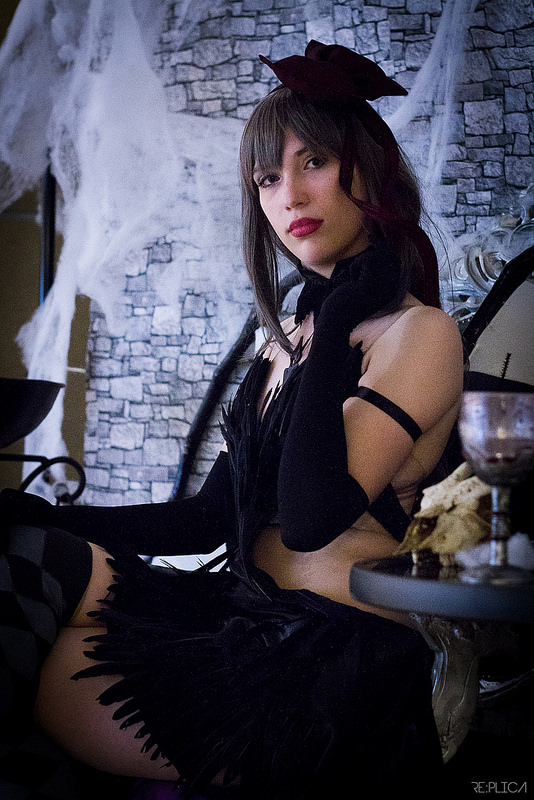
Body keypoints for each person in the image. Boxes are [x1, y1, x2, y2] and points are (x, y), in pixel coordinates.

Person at [0, 41, 464, 800]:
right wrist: (42, 516)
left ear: (371, 172)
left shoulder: (421, 334)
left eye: (314, 162)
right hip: (237, 619)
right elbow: (208, 518)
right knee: (24, 556)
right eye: (267, 177)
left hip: (330, 664)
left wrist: (337, 318)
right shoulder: (284, 342)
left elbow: (311, 518)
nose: (290, 195)